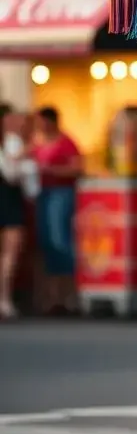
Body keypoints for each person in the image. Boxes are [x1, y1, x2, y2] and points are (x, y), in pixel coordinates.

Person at [32, 106, 82, 315]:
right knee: (46, 241)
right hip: (42, 193)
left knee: (59, 240)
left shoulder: (66, 142)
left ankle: (68, 294)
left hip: (60, 192)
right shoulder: (36, 142)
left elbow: (77, 167)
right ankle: (52, 296)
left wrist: (51, 170)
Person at [0, 104, 37, 319]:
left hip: (11, 199)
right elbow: (13, 174)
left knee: (8, 255)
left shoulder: (16, 142)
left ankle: (5, 298)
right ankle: (4, 299)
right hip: (9, 199)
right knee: (9, 254)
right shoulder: (14, 144)